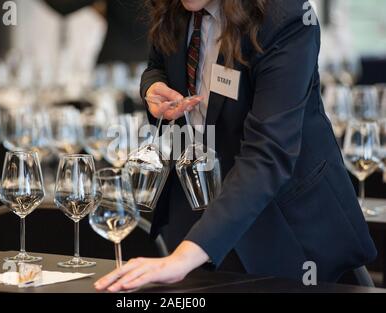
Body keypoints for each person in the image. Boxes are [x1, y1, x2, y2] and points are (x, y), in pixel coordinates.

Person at [95, 0, 377, 292]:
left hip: (290, 232)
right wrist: (151, 87)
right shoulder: (173, 8)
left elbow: (267, 153)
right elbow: (157, 65)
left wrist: (184, 256)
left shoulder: (285, 17)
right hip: (206, 221)